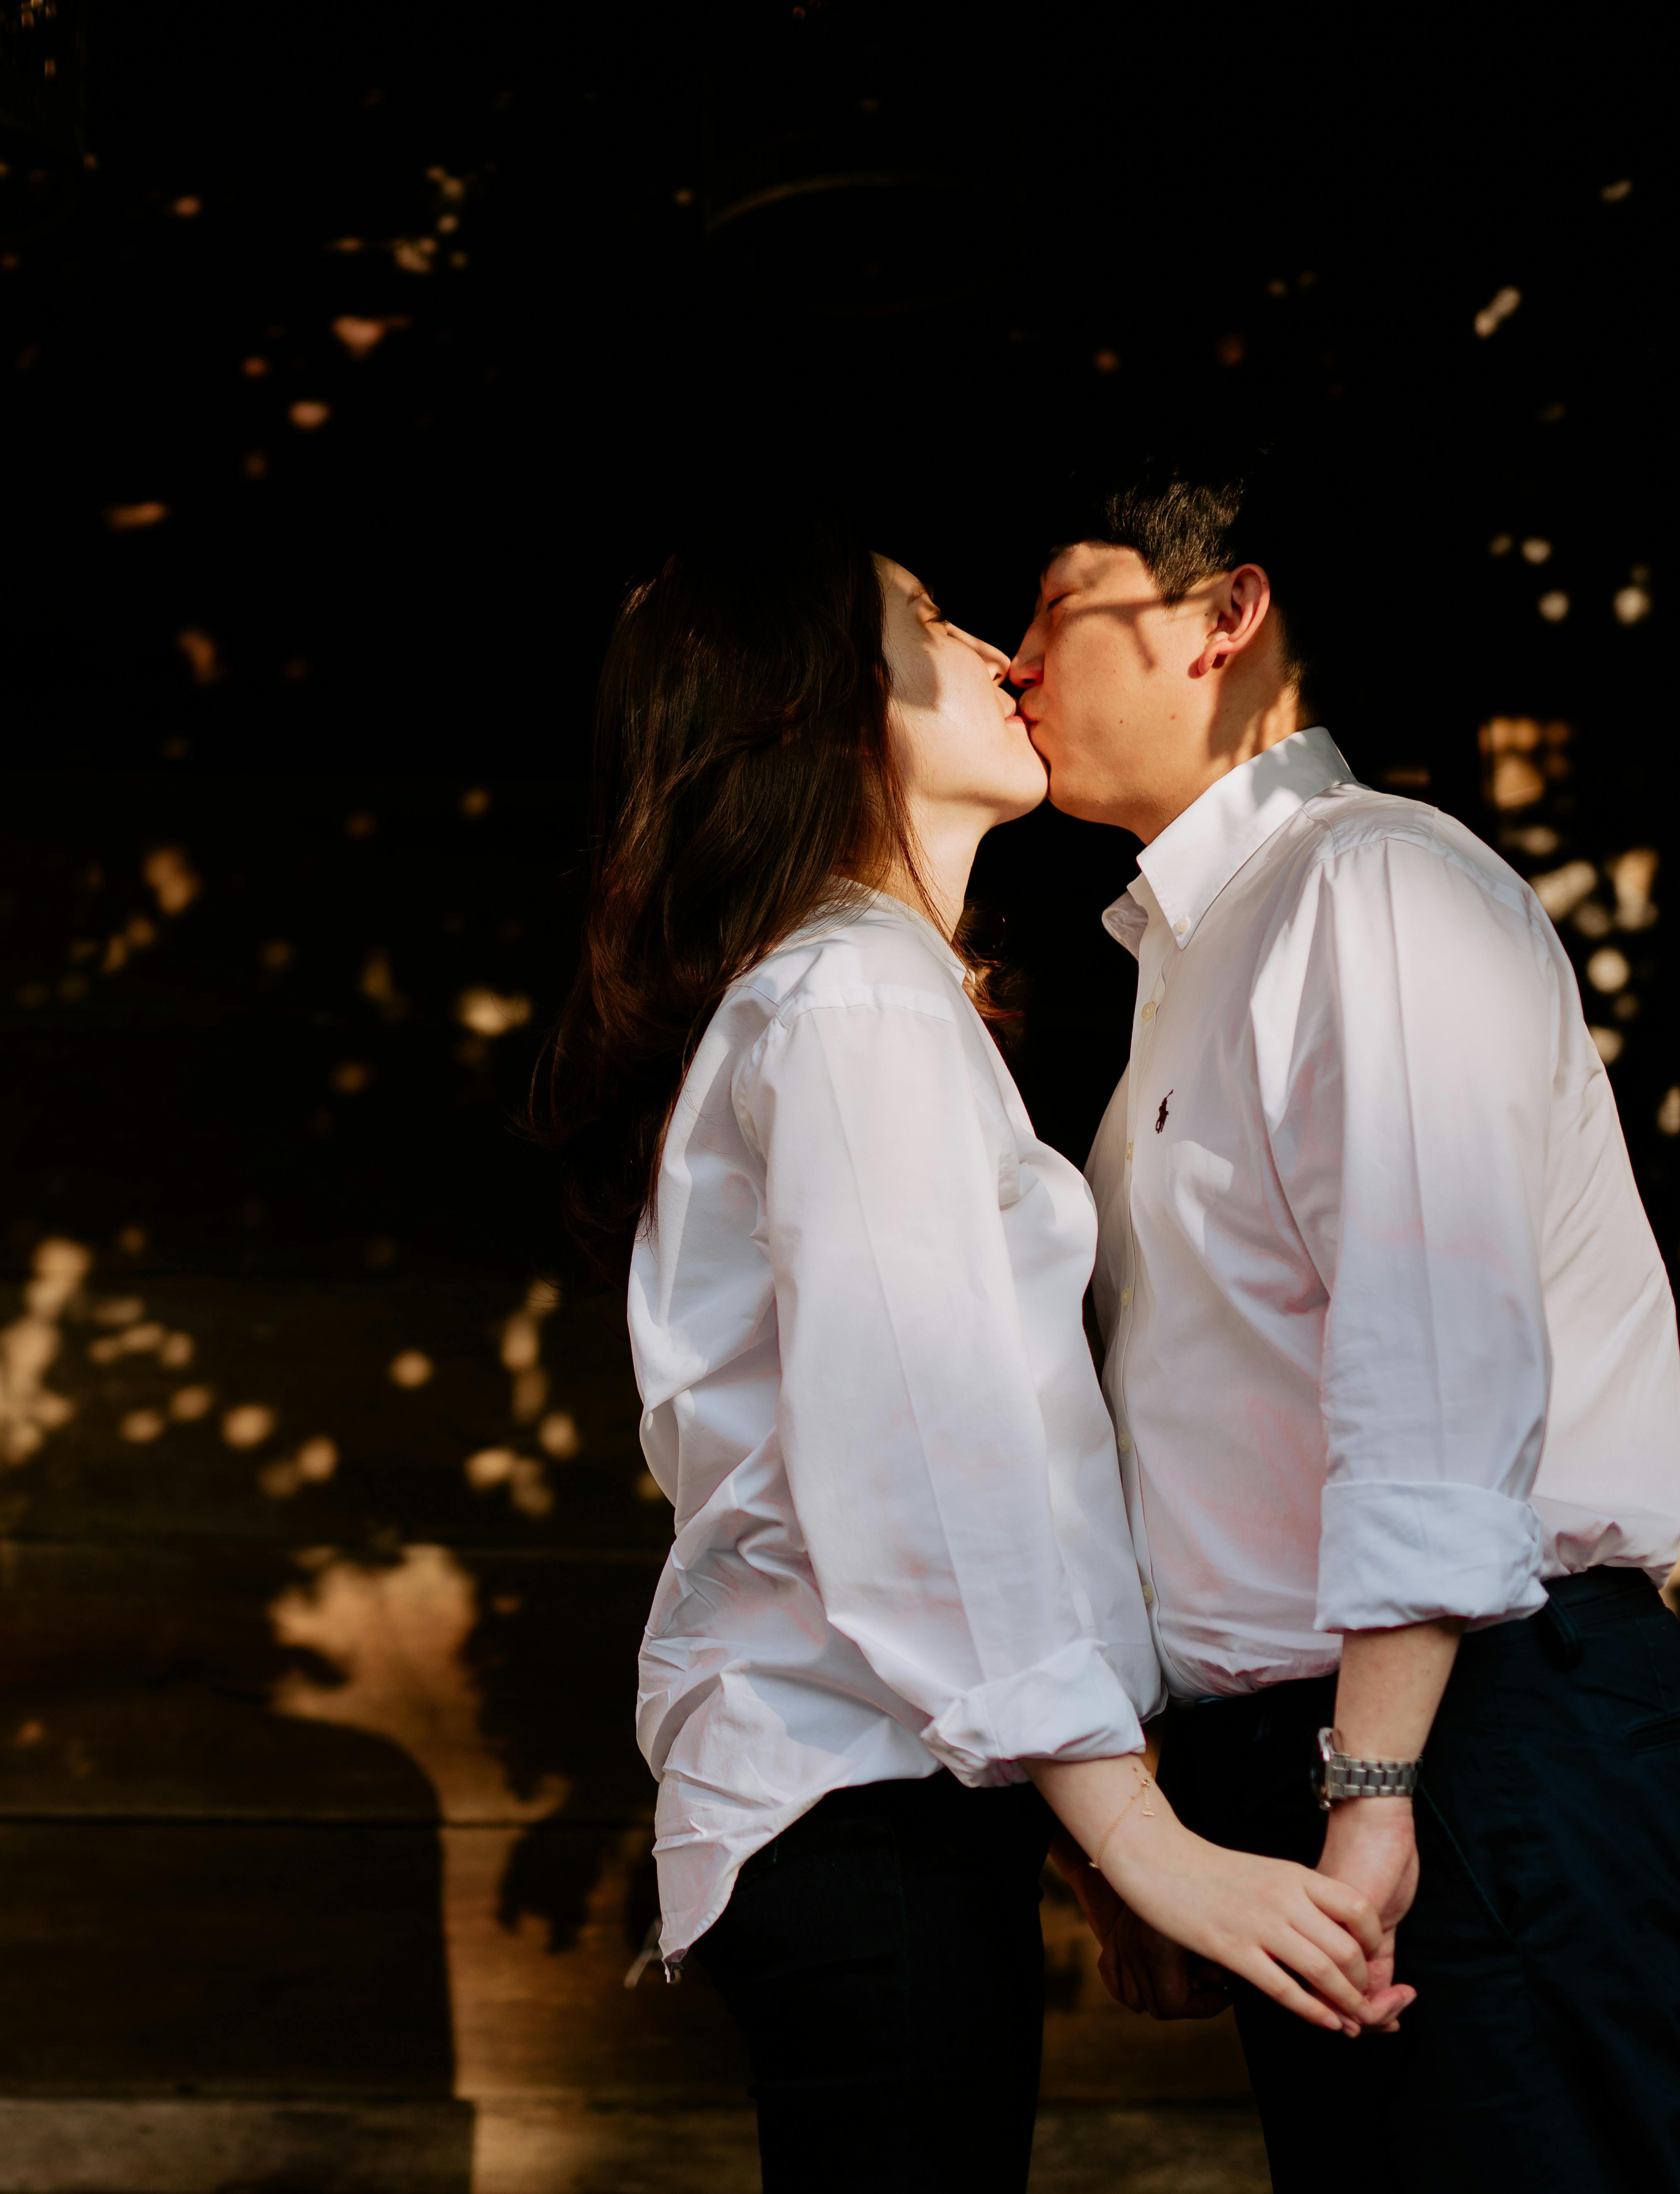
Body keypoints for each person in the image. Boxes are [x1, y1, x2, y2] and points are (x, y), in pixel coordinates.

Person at [540, 524, 1406, 2194]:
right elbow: (924, 1457)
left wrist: (1082, 1843)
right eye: (928, 627)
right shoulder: (848, 1001)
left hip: (893, 1805)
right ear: (812, 712)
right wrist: (1141, 1842)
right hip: (858, 1809)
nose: (1003, 658)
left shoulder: (857, 999)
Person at [1007, 459, 1680, 2194]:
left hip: (1477, 1741)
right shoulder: (1189, 972)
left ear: (1222, 620)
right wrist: (1172, 1828)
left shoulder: (1371, 887)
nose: (1018, 663)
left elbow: (1427, 1355)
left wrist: (1371, 1784)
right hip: (1339, 1754)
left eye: (1050, 613)